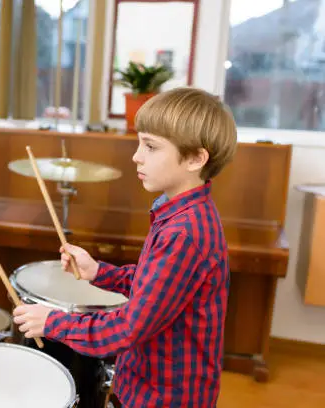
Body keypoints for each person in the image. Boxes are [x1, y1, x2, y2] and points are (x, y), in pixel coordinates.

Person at [13, 87, 238, 408]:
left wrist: (53, 322)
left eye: (150, 146)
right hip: (142, 380)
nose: (137, 155)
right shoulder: (175, 210)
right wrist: (100, 272)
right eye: (139, 143)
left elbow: (129, 328)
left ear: (195, 158)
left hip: (167, 396)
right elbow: (157, 289)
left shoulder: (185, 233)